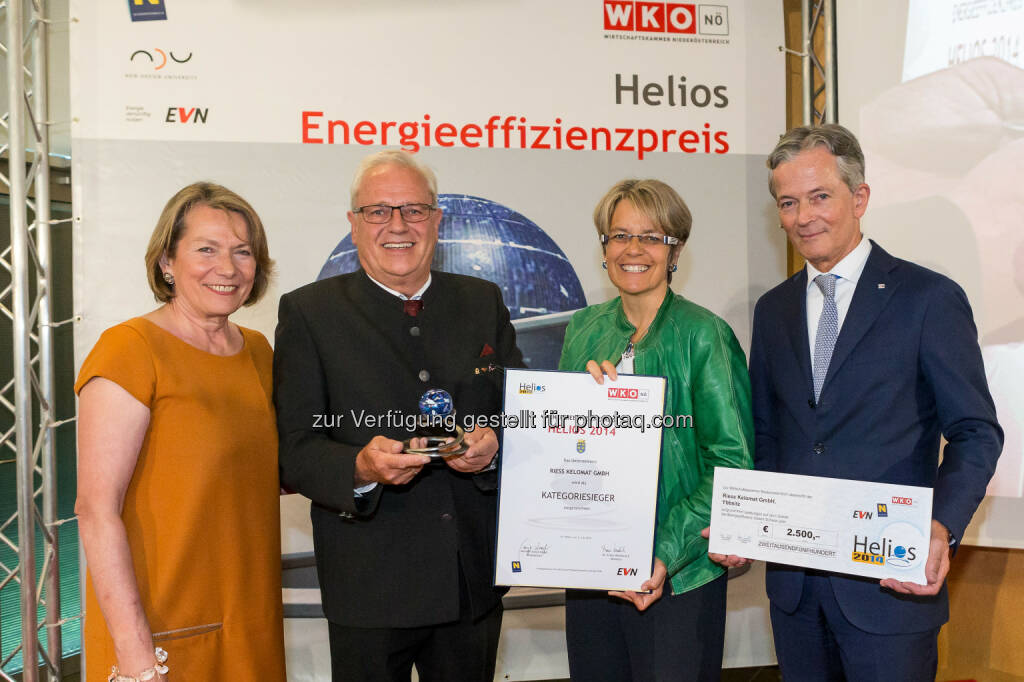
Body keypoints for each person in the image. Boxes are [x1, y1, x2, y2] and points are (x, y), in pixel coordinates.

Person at [734, 124, 1003, 680]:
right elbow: (767, 433)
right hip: (795, 590)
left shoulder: (928, 298)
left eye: (820, 196)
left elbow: (976, 432)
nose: (803, 217)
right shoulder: (774, 310)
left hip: (890, 587)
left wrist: (941, 526)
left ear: (859, 198)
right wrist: (743, 521)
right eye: (788, 202)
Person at [273, 149, 524, 682]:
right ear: (353, 223)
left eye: (413, 210)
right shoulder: (309, 313)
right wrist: (360, 468)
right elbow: (296, 448)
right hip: (368, 584)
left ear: (437, 219)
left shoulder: (482, 301)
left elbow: (520, 412)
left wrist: (494, 445)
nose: (397, 225)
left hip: (470, 582)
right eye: (377, 211)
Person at [75, 182, 286, 681]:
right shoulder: (129, 349)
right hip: (158, 634)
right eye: (206, 249)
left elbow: (266, 474)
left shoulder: (258, 351)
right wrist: (136, 657)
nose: (228, 268)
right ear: (167, 261)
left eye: (242, 252)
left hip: (250, 621)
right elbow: (96, 510)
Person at [558, 179, 754, 681]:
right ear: (604, 247)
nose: (634, 249)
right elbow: (560, 447)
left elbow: (731, 465)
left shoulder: (705, 335)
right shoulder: (582, 329)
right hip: (592, 570)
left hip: (679, 575)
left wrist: (665, 552)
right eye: (620, 235)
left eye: (651, 237)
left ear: (675, 250)